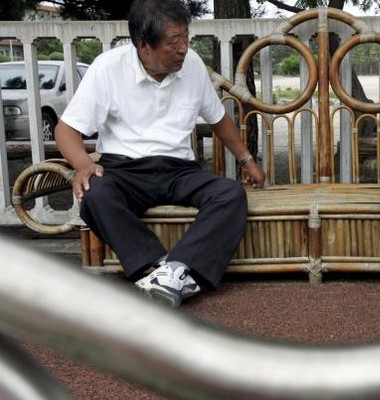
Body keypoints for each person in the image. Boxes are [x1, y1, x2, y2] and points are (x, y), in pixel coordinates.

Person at [55, 0, 265, 307]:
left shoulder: (191, 64)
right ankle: (162, 268)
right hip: (124, 170)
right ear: (144, 45)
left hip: (179, 170)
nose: (183, 48)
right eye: (173, 42)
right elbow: (67, 129)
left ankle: (170, 272)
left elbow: (219, 118)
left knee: (230, 194)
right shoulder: (108, 68)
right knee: (95, 195)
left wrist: (247, 160)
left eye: (185, 37)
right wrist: (83, 164)